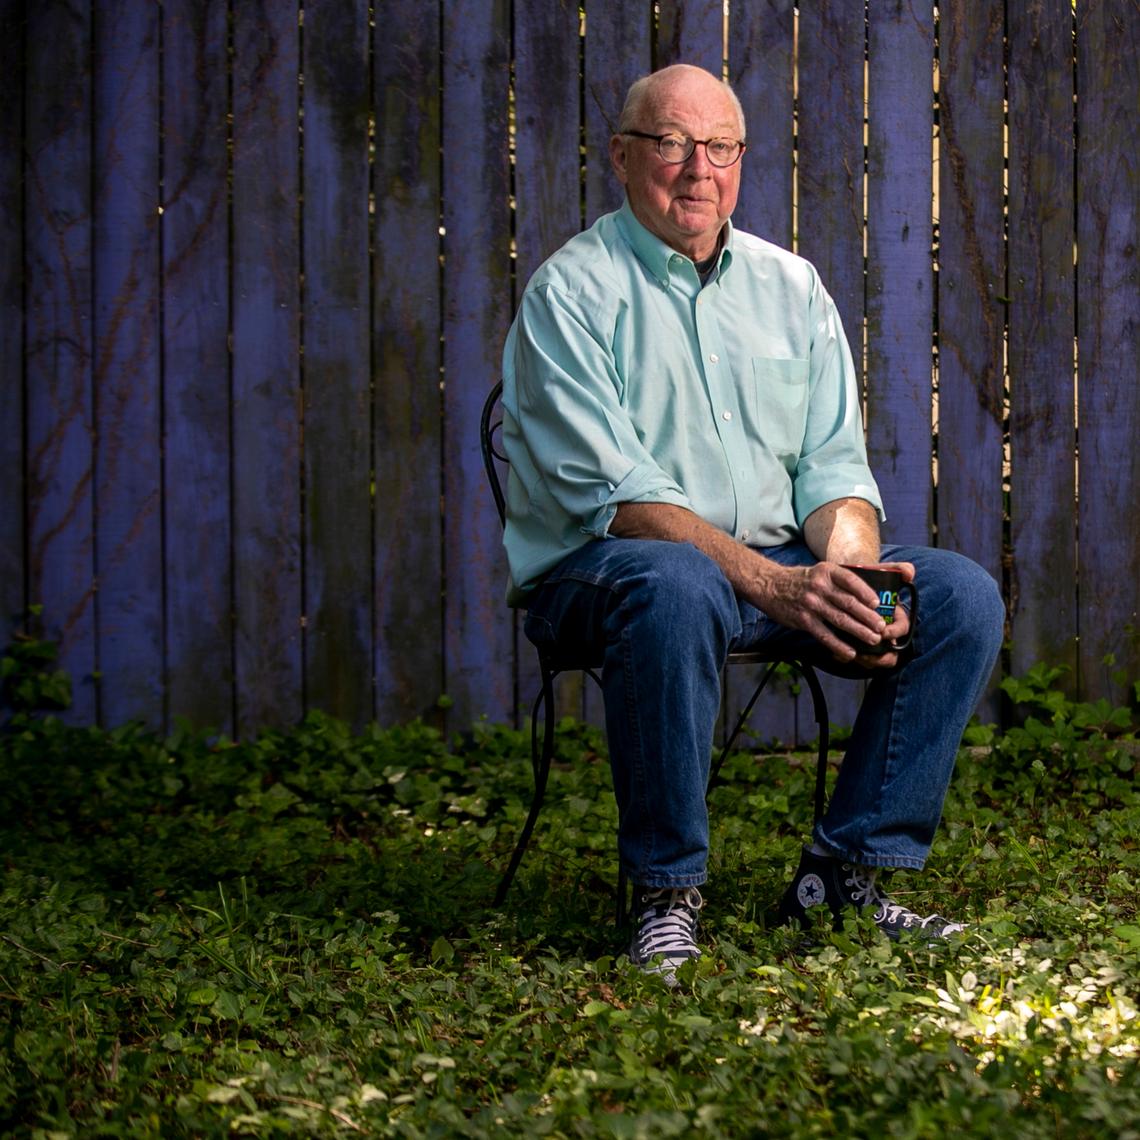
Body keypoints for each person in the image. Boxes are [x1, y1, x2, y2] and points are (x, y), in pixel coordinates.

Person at [499, 63, 1004, 980]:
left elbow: (835, 472)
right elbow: (627, 502)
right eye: (671, 143)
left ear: (741, 159)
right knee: (677, 580)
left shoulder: (791, 286)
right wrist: (779, 584)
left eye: (720, 147)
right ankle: (665, 894)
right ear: (623, 156)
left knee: (959, 595)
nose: (698, 169)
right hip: (604, 571)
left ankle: (844, 880)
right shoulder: (571, 293)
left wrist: (845, 577)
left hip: (773, 570)